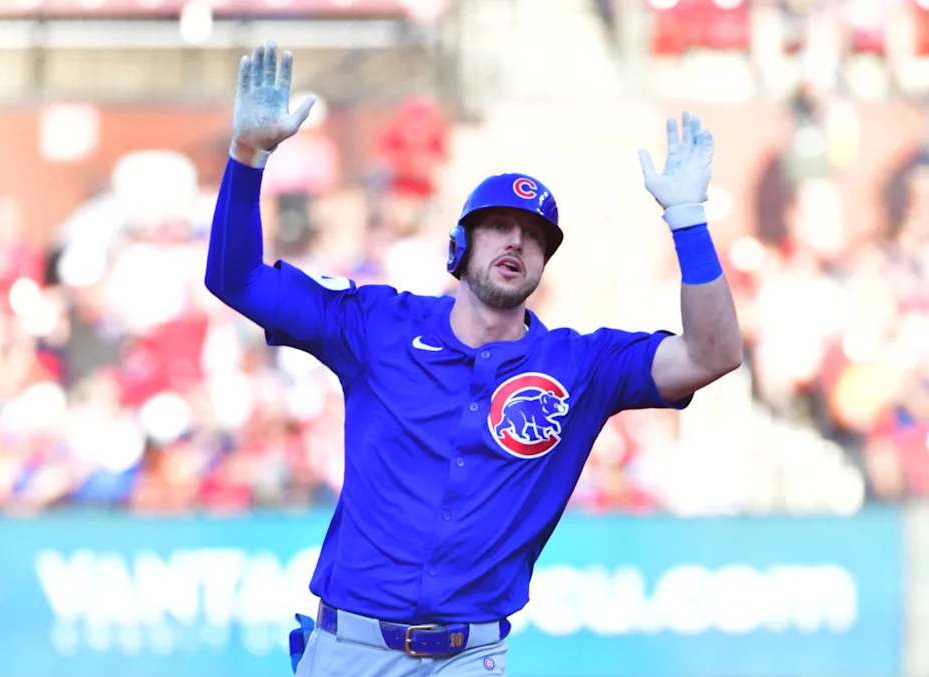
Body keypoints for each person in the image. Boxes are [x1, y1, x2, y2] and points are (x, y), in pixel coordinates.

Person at [205, 42, 743, 677]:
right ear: (460, 245)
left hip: (470, 655)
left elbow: (714, 352)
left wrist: (687, 220)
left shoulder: (579, 366)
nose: (517, 239)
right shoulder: (377, 325)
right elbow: (235, 278)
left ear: (544, 263)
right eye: (499, 226)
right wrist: (247, 158)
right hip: (350, 650)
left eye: (535, 235)